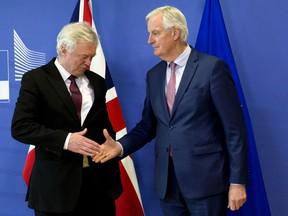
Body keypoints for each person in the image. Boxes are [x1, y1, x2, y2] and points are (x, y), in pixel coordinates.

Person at [93, 6, 249, 216]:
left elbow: (234, 129)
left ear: (175, 33)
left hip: (206, 183)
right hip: (167, 185)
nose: (149, 40)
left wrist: (237, 181)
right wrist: (120, 147)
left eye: (155, 33)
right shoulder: (154, 75)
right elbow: (147, 126)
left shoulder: (212, 68)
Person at [11, 22, 122, 216]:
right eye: (84, 57)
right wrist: (67, 140)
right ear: (64, 48)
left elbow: (101, 125)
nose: (88, 63)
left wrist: (110, 143)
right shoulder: (35, 80)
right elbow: (21, 127)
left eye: (92, 57)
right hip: (55, 189)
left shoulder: (97, 82)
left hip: (99, 187)